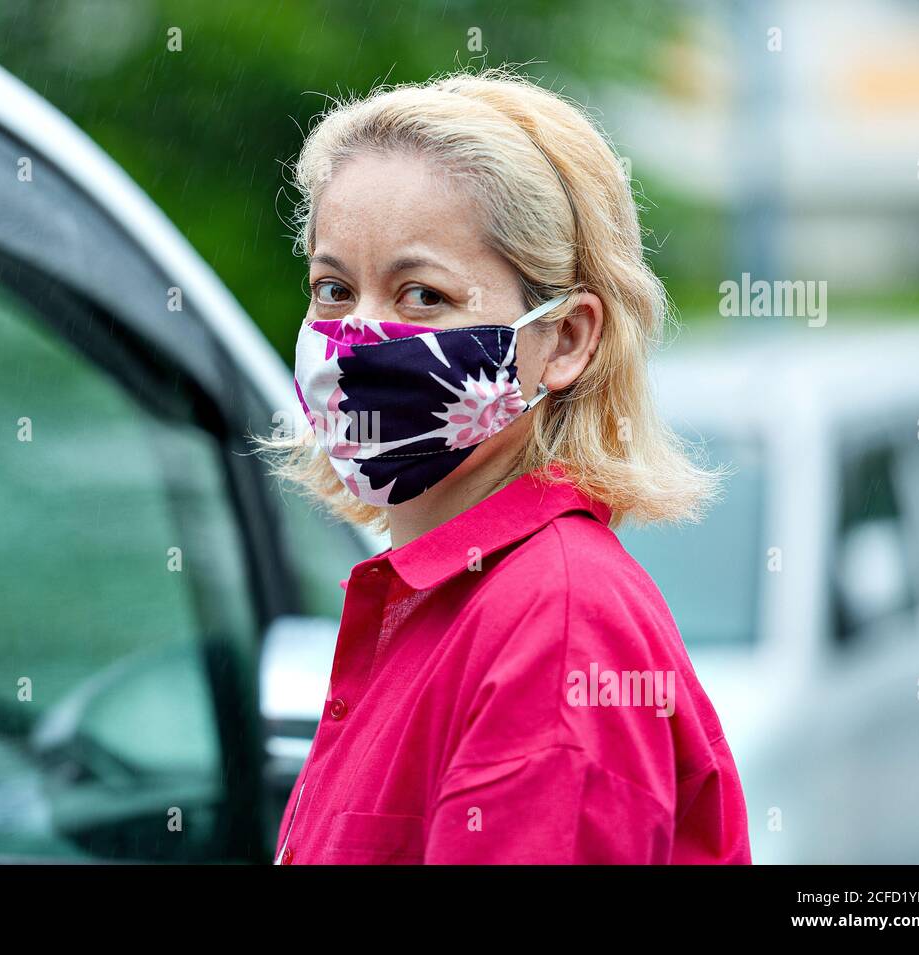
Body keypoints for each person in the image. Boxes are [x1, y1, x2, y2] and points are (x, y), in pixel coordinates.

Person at [260, 68, 751, 864]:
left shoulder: (556, 630)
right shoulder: (438, 598)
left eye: (422, 295)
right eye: (334, 288)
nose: (358, 335)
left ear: (563, 340)